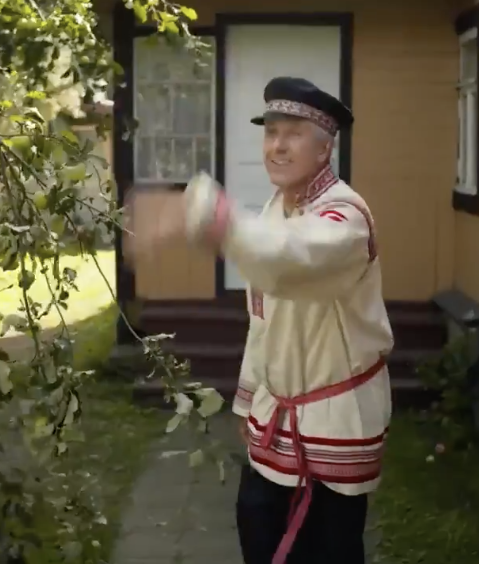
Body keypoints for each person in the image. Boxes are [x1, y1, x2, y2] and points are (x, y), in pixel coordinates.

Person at [125, 76, 394, 564]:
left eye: (293, 133)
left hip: (334, 421)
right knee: (259, 536)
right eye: (270, 133)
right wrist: (249, 403)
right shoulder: (276, 210)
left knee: (326, 551)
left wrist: (211, 213)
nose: (277, 146)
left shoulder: (345, 217)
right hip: (277, 418)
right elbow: (264, 321)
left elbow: (288, 260)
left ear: (325, 147)